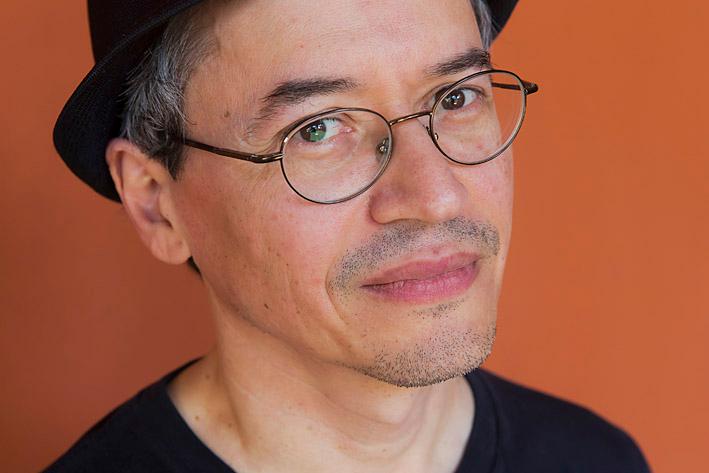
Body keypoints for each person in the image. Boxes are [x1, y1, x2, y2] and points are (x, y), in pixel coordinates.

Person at [45, 0, 651, 471]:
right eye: (317, 128)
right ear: (156, 204)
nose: (436, 195)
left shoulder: (600, 461)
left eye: (457, 97)